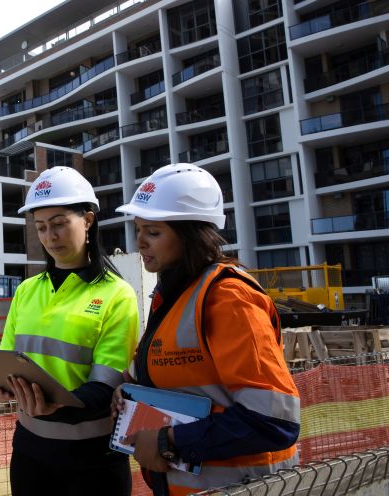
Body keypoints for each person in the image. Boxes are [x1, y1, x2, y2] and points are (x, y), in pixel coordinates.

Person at [112, 163, 300, 496]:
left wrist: (169, 440)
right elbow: (183, 376)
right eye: (138, 229)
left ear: (190, 236)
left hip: (244, 487)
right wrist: (130, 389)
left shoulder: (229, 299)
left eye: (153, 232)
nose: (139, 242)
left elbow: (274, 422)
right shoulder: (172, 296)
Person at [0, 166, 140, 496]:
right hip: (29, 452)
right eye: (41, 227)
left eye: (59, 224)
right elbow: (6, 361)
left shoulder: (116, 294)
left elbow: (104, 387)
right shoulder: (27, 290)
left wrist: (57, 405)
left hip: (93, 459)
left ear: (87, 220)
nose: (49, 236)